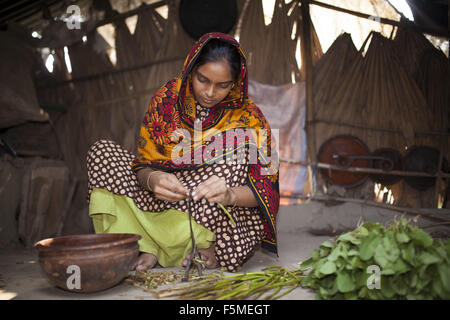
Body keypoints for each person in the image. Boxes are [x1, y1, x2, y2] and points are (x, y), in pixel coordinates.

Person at [87, 32, 279, 272]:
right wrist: (153, 179)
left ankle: (204, 244)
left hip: (211, 213)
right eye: (202, 79)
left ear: (236, 83)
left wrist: (229, 194)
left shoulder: (251, 119)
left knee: (237, 153)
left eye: (222, 85)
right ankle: (146, 244)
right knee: (102, 152)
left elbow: (268, 191)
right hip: (161, 200)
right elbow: (144, 163)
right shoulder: (167, 100)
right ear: (190, 69)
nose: (210, 92)